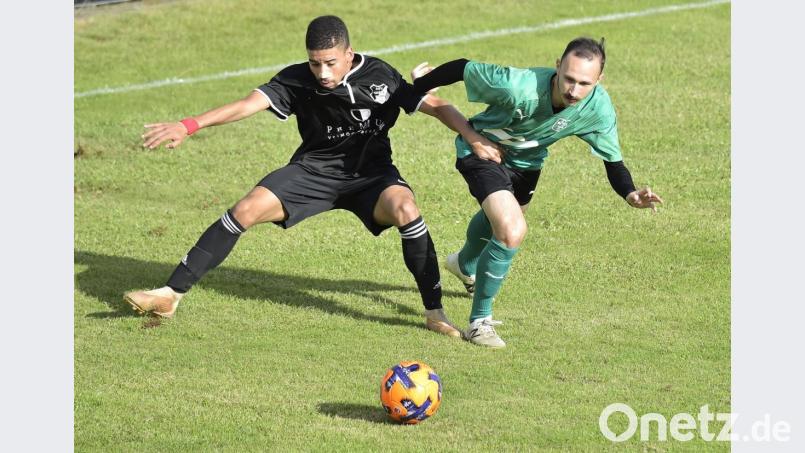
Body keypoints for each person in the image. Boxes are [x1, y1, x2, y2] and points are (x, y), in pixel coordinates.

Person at [124, 15, 497, 339]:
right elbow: (246, 105)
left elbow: (433, 104)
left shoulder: (379, 75)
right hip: (314, 171)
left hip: (371, 176)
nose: (322, 73)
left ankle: (435, 314)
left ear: (349, 54)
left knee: (405, 208)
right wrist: (191, 125)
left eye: (330, 63)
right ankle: (170, 295)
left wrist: (473, 137)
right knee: (246, 208)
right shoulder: (296, 80)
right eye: (315, 63)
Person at [410, 37, 664, 348]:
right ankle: (480, 323)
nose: (573, 90)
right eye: (568, 78)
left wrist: (629, 193)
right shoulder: (519, 86)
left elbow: (614, 161)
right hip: (482, 150)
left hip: (527, 163)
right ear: (557, 66)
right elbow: (464, 68)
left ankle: (464, 264)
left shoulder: (597, 107)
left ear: (599, 80)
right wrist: (422, 85)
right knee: (511, 229)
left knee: (500, 224)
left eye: (584, 83)